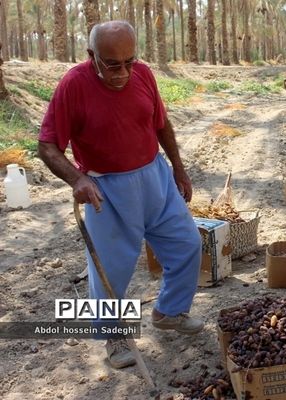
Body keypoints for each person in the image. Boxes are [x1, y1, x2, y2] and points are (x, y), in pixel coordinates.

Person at [38, 20, 204, 369]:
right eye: (113, 63)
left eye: (130, 61)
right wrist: (77, 180)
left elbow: (161, 124)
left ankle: (169, 312)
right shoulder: (73, 85)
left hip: (154, 177)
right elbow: (48, 146)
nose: (123, 71)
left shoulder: (142, 74)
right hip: (106, 189)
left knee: (187, 244)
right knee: (110, 271)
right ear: (91, 56)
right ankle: (114, 337)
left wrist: (177, 167)